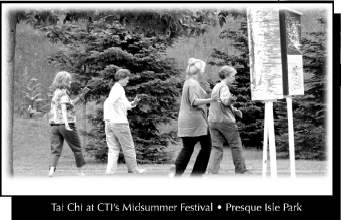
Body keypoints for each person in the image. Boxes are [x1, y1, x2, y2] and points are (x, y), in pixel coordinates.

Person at [168, 58, 219, 178]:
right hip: (196, 120)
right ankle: (197, 174)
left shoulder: (188, 82)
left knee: (188, 147)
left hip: (185, 119)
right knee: (206, 146)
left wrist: (206, 91)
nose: (204, 72)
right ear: (199, 71)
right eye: (203, 70)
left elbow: (198, 96)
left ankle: (176, 170)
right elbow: (194, 101)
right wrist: (211, 100)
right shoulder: (193, 84)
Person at [207, 65, 250, 175]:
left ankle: (212, 171)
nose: (234, 78)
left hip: (213, 121)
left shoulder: (216, 87)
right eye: (233, 76)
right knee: (236, 145)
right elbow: (225, 101)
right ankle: (241, 170)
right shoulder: (224, 87)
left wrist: (234, 110)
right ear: (226, 76)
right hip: (225, 121)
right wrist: (231, 99)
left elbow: (219, 102)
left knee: (216, 147)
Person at [104, 69, 146, 175]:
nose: (128, 81)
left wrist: (134, 102)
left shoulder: (117, 89)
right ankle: (134, 170)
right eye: (127, 79)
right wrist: (107, 117)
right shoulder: (118, 90)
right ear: (122, 78)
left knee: (113, 149)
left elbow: (126, 105)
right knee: (129, 147)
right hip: (119, 123)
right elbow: (107, 103)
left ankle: (110, 173)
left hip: (110, 124)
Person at [47, 71, 89, 177]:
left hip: (54, 126)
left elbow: (69, 105)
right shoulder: (64, 93)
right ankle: (79, 172)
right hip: (66, 124)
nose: (70, 82)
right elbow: (64, 110)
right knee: (77, 148)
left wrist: (81, 96)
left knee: (55, 150)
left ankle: (51, 171)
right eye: (68, 80)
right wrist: (66, 124)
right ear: (63, 81)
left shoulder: (56, 92)